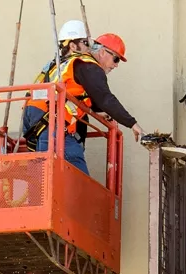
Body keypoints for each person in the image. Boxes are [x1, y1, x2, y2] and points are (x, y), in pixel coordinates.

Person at [22, 24, 144, 175]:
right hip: (52, 125)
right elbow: (104, 98)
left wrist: (96, 111)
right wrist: (132, 123)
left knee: (44, 184)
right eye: (116, 59)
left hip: (38, 124)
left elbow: (81, 96)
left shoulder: (59, 65)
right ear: (103, 52)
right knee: (80, 186)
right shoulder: (87, 65)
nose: (116, 65)